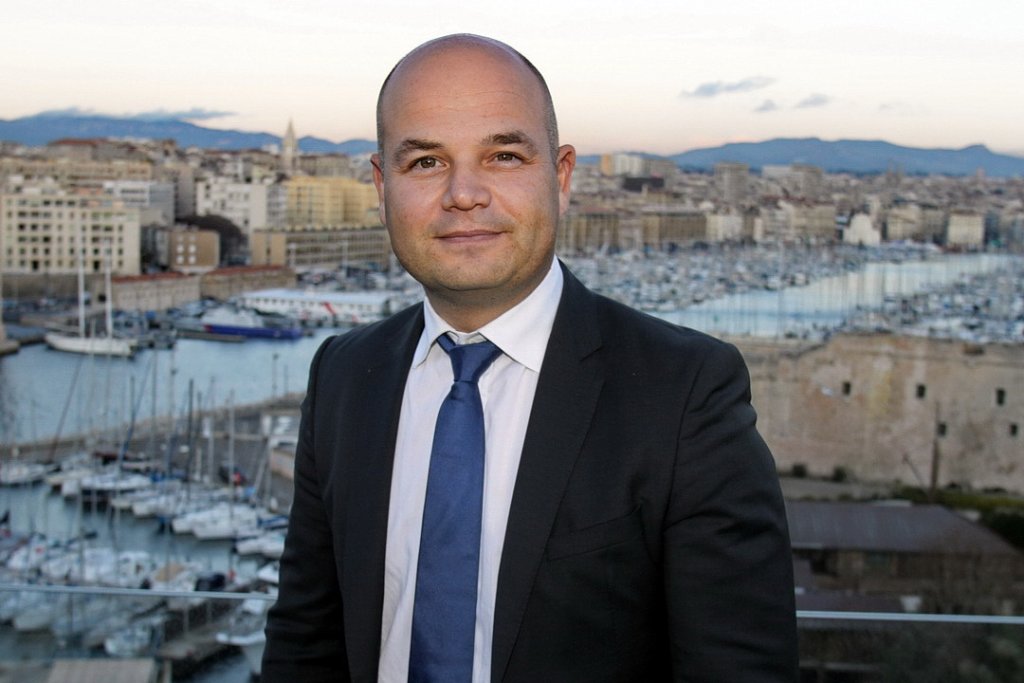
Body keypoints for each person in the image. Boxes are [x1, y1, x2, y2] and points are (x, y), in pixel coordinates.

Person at [262, 34, 797, 682]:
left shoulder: (683, 395)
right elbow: (304, 646)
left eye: (504, 155)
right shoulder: (344, 376)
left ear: (562, 176)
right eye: (426, 162)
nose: (464, 193)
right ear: (382, 186)